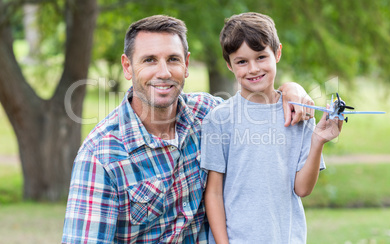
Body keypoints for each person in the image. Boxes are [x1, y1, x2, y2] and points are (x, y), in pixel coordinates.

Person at [62, 14, 315, 243]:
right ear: (128, 67)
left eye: (173, 59)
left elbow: (258, 100)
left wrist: (292, 90)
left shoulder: (208, 114)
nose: (163, 72)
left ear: (186, 65)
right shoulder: (101, 156)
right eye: (149, 60)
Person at [201, 12, 343, 244]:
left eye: (261, 57)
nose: (253, 68)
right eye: (241, 61)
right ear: (229, 65)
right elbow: (214, 193)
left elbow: (302, 189)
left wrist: (318, 141)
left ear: (277, 53)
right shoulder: (219, 119)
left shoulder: (300, 114)